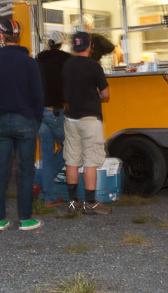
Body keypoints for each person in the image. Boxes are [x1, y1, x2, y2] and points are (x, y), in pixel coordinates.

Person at [0, 19, 44, 231]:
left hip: (1, 121)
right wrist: (36, 119)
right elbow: (38, 95)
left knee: (1, 172)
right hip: (26, 121)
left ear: (1, 36)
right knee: (25, 172)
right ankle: (25, 219)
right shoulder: (30, 63)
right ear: (18, 36)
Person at [62, 31, 112, 215]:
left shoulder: (67, 65)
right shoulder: (93, 66)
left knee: (72, 160)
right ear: (89, 45)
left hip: (71, 119)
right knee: (91, 160)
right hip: (90, 120)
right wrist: (95, 92)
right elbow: (106, 94)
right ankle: (90, 203)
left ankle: (73, 202)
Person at [34, 31, 70, 206]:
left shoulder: (38, 59)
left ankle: (48, 196)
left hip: (39, 112)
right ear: (61, 44)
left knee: (46, 154)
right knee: (69, 148)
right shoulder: (66, 60)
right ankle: (38, 181)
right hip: (55, 110)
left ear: (49, 43)